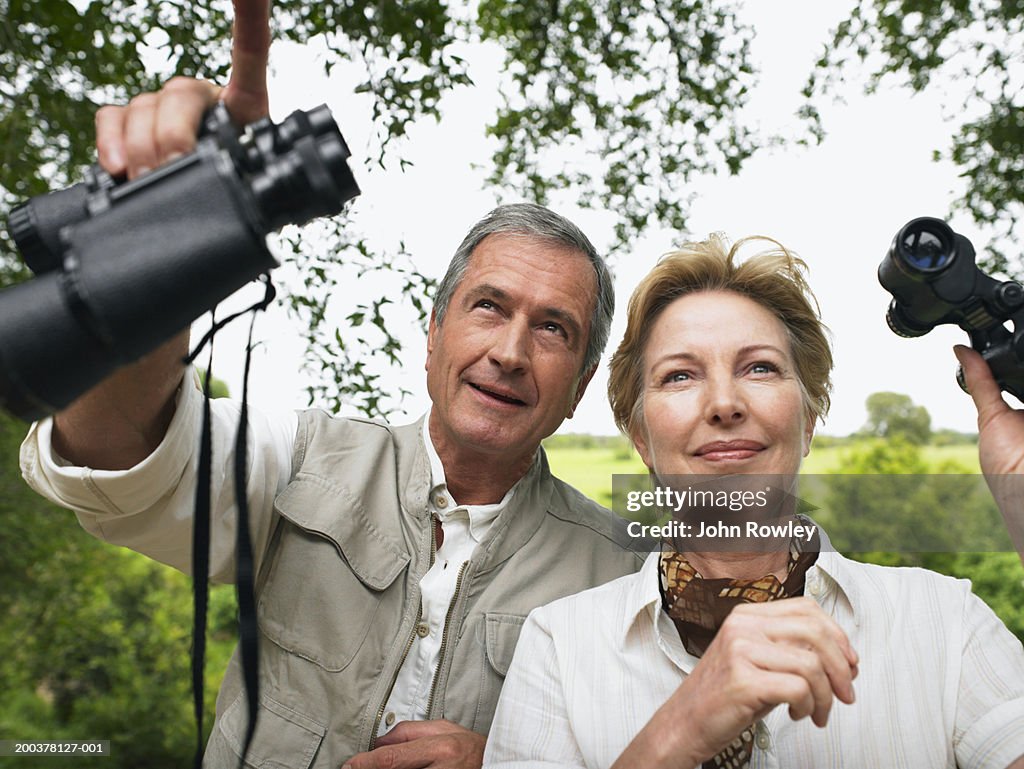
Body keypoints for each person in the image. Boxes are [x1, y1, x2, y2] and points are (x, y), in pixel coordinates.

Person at [17, 2, 644, 767]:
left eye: (554, 329)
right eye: (489, 306)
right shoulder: (299, 456)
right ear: (433, 334)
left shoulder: (625, 573)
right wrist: (161, 239)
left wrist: (512, 759)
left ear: (579, 388)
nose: (511, 351)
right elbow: (114, 459)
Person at [483, 234, 1024, 769]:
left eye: (759, 367)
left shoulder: (944, 622)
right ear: (641, 439)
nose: (724, 404)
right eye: (680, 376)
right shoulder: (558, 645)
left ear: (808, 421)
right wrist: (678, 732)